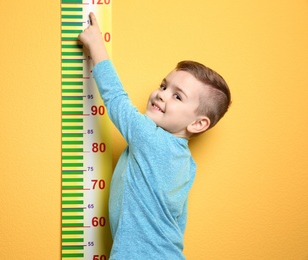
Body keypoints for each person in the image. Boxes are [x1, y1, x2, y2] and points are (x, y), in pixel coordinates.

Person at [79, 13, 231, 259]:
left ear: (198, 123)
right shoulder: (185, 164)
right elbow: (177, 220)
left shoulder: (152, 140)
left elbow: (116, 98)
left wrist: (96, 44)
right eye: (163, 86)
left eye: (177, 96)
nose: (161, 94)